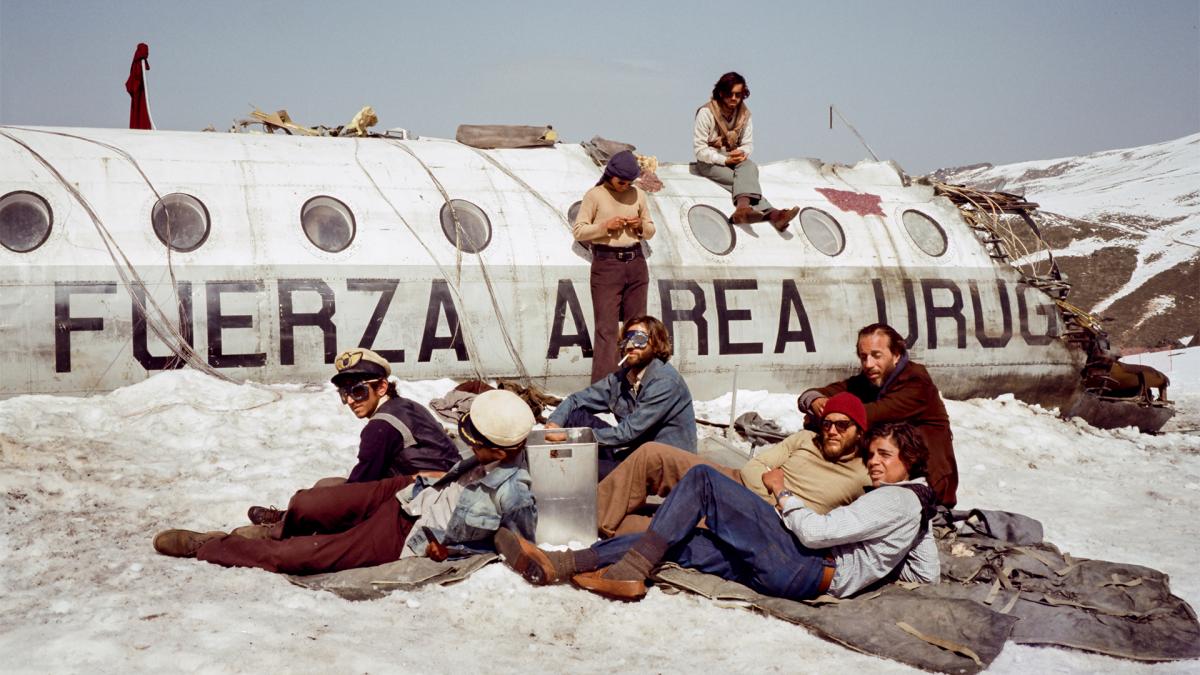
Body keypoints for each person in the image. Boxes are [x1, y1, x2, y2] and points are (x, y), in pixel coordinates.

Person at [496, 422, 939, 602]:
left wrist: (783, 494)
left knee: (704, 481)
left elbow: (819, 533)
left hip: (805, 561)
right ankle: (564, 563)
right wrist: (877, 571)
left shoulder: (895, 499)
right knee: (684, 542)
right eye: (875, 454)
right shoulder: (915, 507)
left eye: (885, 455)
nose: (875, 462)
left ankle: (631, 569)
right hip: (798, 577)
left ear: (911, 463)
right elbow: (927, 575)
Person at [152, 390, 537, 575]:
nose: (465, 440)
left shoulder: (515, 492)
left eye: (474, 439)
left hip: (409, 531)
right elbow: (461, 478)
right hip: (409, 490)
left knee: (299, 558)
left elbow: (511, 544)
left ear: (499, 450)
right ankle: (277, 528)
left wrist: (450, 554)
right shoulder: (491, 453)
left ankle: (210, 545)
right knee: (308, 502)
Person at [596, 392, 872, 538]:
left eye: (842, 425)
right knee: (653, 454)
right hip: (736, 480)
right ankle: (587, 524)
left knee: (654, 527)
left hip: (759, 519)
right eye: (828, 423)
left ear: (859, 432)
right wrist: (772, 493)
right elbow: (756, 466)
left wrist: (777, 496)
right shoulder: (805, 439)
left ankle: (604, 530)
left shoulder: (866, 474)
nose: (832, 431)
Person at [244, 348, 461, 525]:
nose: (350, 401)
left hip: (423, 502)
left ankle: (285, 521)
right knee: (326, 485)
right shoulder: (406, 406)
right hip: (444, 491)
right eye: (344, 393)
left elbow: (359, 488)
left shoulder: (381, 426)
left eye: (358, 391)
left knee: (321, 495)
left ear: (382, 387)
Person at [797, 323, 959, 507]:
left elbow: (868, 415)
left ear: (896, 355)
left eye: (876, 355)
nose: (869, 364)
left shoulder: (916, 383)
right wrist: (814, 401)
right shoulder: (872, 379)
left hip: (927, 487)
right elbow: (814, 394)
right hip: (888, 476)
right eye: (863, 357)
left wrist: (824, 416)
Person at [546, 315, 696, 478]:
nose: (630, 346)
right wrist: (555, 423)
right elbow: (576, 400)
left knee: (583, 468)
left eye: (639, 339)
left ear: (656, 342)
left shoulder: (665, 382)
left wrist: (572, 438)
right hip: (634, 449)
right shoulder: (623, 378)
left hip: (664, 465)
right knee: (575, 416)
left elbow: (628, 432)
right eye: (626, 339)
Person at [573, 150, 656, 383]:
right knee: (606, 330)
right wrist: (605, 227)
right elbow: (579, 230)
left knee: (637, 328)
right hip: (607, 263)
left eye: (629, 182)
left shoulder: (638, 195)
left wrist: (640, 226)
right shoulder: (595, 195)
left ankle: (637, 382)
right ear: (610, 176)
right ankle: (604, 388)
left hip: (636, 262)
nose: (624, 186)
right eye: (621, 181)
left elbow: (650, 229)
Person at [694, 72, 799, 232]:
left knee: (750, 166)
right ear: (721, 93)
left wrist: (740, 153)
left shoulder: (744, 114)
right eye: (730, 94)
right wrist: (724, 161)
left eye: (739, 94)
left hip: (733, 159)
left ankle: (742, 210)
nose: (734, 98)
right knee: (743, 184)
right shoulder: (706, 113)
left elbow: (748, 144)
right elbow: (700, 150)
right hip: (710, 161)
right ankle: (774, 215)